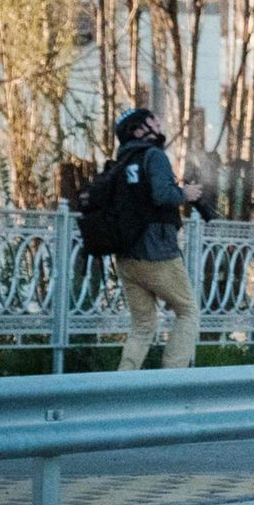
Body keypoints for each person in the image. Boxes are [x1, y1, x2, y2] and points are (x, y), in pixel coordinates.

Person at [110, 108, 203, 371]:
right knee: (188, 312)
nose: (159, 122)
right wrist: (186, 193)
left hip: (127, 256)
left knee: (142, 326)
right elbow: (163, 195)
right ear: (138, 130)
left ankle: (122, 386)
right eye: (153, 119)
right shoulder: (154, 156)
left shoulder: (122, 160)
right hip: (157, 253)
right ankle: (171, 379)